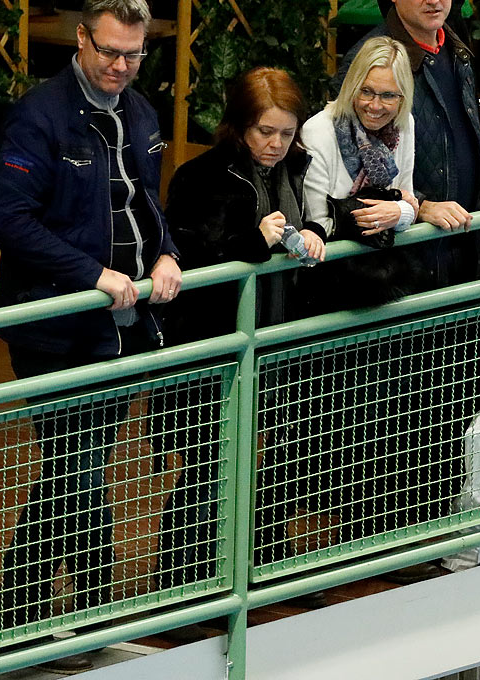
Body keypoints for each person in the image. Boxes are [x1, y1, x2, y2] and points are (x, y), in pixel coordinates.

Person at [0, 0, 182, 663]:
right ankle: (78, 613)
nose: (120, 66)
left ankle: (25, 620)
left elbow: (147, 209)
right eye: (108, 51)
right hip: (56, 327)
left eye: (134, 54)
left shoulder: (145, 115)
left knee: (77, 468)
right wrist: (91, 275)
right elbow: (7, 221)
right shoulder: (38, 119)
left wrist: (167, 255)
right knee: (78, 469)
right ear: (81, 39)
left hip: (124, 325)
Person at [344, 0, 480, 560]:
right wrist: (417, 205)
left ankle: (433, 529)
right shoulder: (375, 60)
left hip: (460, 260)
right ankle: (381, 544)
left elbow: (467, 136)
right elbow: (355, 164)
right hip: (403, 269)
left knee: (457, 398)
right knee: (395, 410)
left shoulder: (455, 51)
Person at [155, 67, 326, 593]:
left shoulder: (297, 166)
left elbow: (314, 216)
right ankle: (181, 579)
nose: (275, 145)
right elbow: (190, 256)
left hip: (278, 333)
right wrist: (253, 241)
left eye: (286, 132)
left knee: (281, 450)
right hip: (213, 345)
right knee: (207, 462)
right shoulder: (201, 176)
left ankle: (264, 555)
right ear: (238, 126)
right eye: (263, 132)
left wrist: (318, 229)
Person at [299, 38, 421, 542]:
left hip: (380, 283)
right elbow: (318, 219)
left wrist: (401, 212)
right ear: (351, 88)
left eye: (388, 96)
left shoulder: (405, 128)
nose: (375, 106)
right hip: (325, 288)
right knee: (321, 420)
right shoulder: (318, 131)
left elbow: (409, 199)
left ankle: (374, 528)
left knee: (385, 414)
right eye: (366, 92)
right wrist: (384, 212)